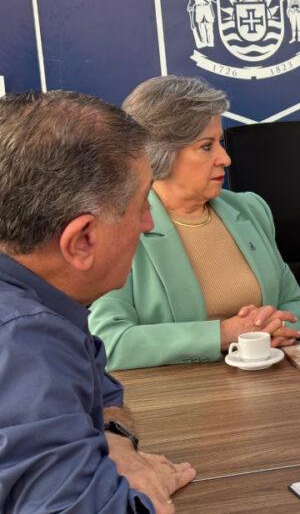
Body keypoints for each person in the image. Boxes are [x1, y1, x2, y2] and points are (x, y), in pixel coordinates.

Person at [0, 91, 194, 512]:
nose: (149, 222)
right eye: (142, 203)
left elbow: (100, 392)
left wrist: (117, 446)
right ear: (83, 240)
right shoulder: (24, 338)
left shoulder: (45, 299)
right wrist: (146, 497)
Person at [89, 76, 300, 370]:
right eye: (207, 146)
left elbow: (295, 303)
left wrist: (278, 330)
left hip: (270, 384)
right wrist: (225, 334)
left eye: (220, 142)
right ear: (160, 152)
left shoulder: (250, 209)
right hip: (181, 400)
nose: (226, 158)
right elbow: (110, 342)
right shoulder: (119, 227)